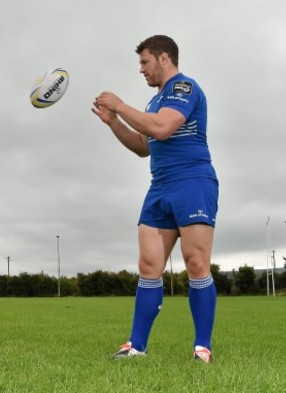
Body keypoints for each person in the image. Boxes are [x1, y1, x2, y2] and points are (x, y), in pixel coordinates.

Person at [92, 35, 218, 363]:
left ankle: (202, 348)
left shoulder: (184, 88)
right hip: (159, 187)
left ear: (164, 59)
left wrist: (120, 104)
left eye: (145, 62)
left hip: (193, 181)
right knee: (148, 265)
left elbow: (162, 129)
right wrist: (113, 122)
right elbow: (143, 146)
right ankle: (137, 347)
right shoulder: (154, 102)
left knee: (195, 263)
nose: (141, 70)